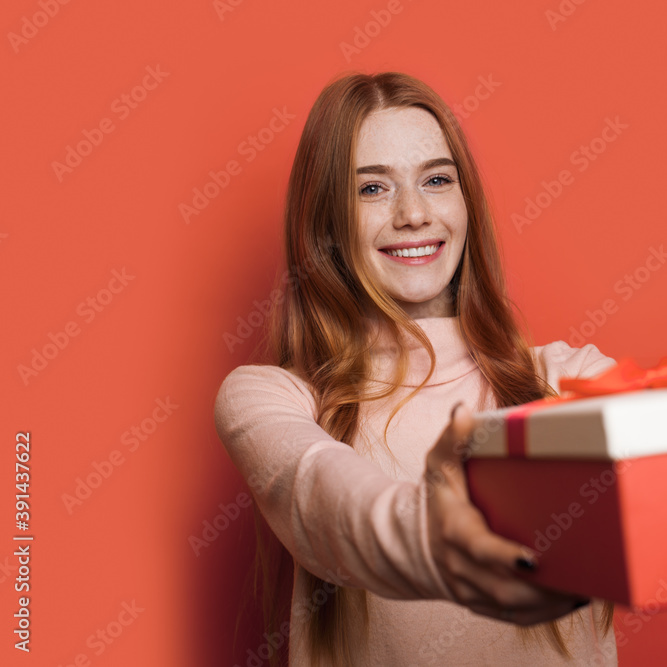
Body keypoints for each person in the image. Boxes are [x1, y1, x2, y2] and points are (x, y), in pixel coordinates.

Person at [214, 71, 619, 666]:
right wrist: (446, 543)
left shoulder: (567, 380)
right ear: (326, 223)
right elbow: (330, 500)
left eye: (436, 180)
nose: (413, 214)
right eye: (372, 190)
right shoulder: (269, 400)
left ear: (465, 202)